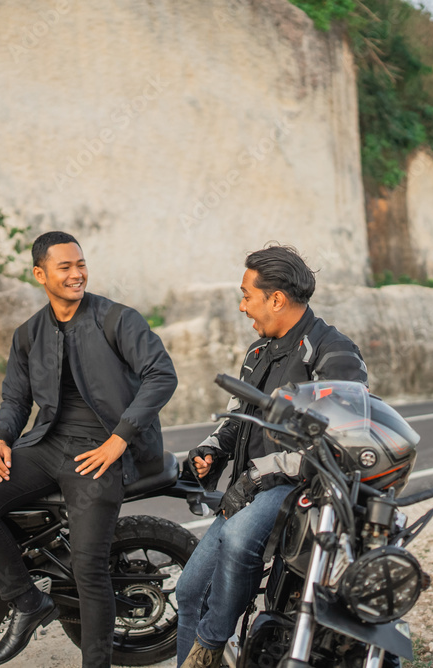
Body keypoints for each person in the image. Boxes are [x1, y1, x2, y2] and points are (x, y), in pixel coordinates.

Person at [0, 231, 177, 668]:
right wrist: (0, 440)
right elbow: (16, 400)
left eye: (81, 264)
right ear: (40, 274)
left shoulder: (118, 319)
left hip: (101, 451)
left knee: (88, 568)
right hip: (47, 443)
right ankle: (26, 602)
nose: (77, 273)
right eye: (65, 267)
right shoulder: (28, 334)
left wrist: (119, 438)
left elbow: (161, 375)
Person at [175, 245, 368, 668]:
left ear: (276, 299)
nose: (243, 307)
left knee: (240, 538)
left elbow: (340, 439)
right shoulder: (257, 353)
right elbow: (235, 417)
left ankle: (209, 644)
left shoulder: (332, 352)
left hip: (297, 486)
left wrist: (261, 473)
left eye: (247, 296)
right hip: (248, 487)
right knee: (187, 592)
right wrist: (211, 450)